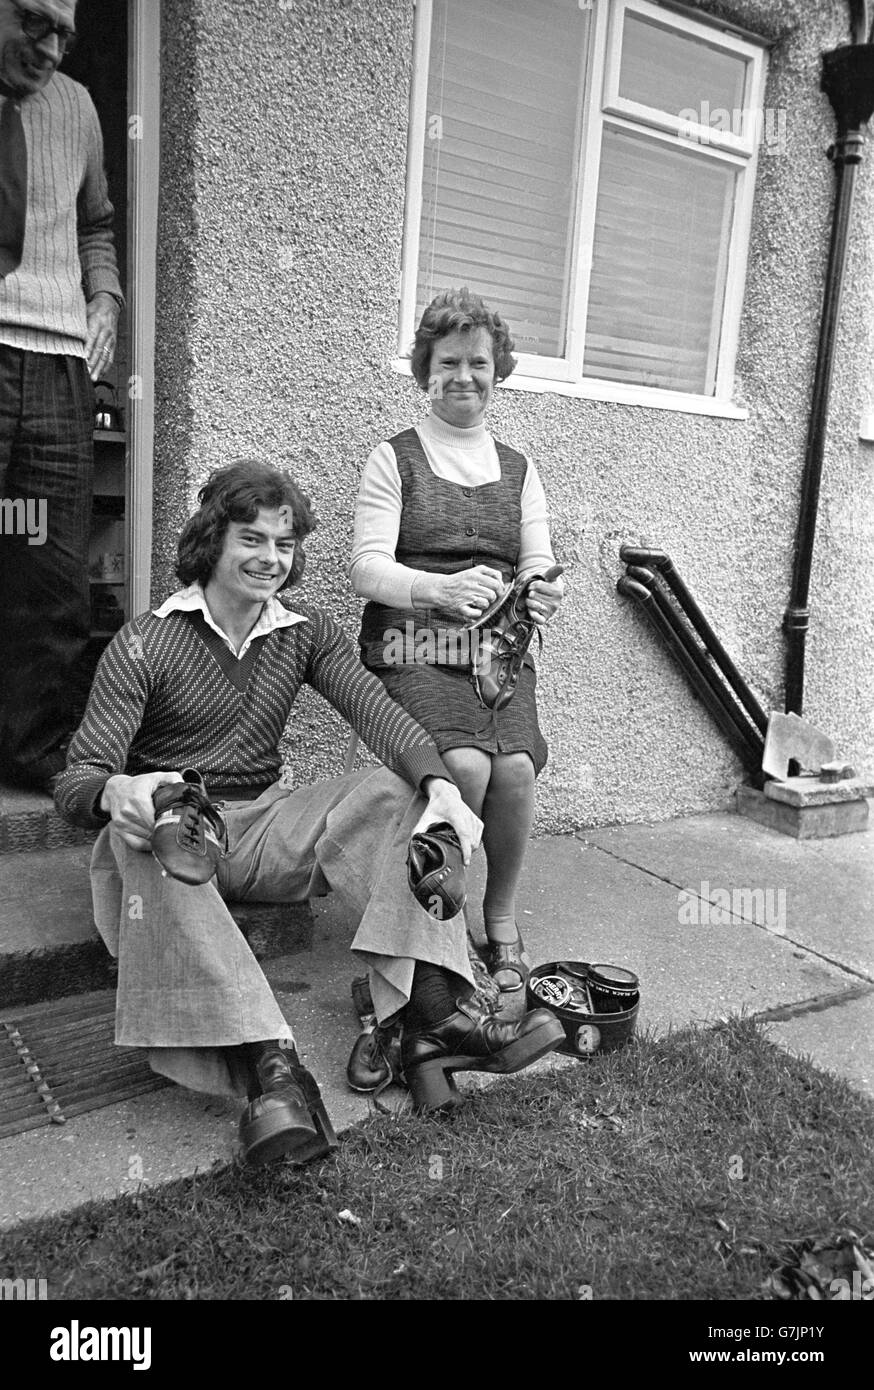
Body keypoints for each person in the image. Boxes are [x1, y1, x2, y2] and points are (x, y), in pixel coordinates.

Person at [54, 460, 564, 1164]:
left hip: (264, 826)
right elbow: (78, 775)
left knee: (395, 790)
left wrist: (441, 787)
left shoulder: (304, 630)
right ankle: (271, 1066)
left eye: (284, 545)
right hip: (178, 834)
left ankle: (432, 1020)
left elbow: (377, 712)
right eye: (252, 540)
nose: (269, 559)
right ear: (211, 541)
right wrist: (116, 791)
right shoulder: (146, 640)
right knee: (133, 836)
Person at [347, 288, 564, 1084]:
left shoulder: (520, 468)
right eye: (448, 364)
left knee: (515, 770)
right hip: (412, 640)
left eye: (478, 362)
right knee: (464, 768)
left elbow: (537, 558)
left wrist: (543, 588)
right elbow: (366, 567)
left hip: (498, 650)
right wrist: (437, 592)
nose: (464, 376)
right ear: (425, 373)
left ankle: (498, 921)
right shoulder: (394, 456)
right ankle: (437, 956)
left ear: (496, 370)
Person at [0, 0, 123, 791]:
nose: (49, 48)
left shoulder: (77, 106)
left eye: (64, 35)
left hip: (52, 366)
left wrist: (104, 298)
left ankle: (31, 752)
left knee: (47, 572)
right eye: (32, 23)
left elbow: (96, 225)